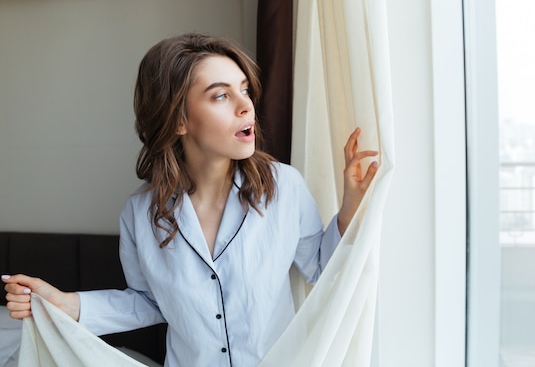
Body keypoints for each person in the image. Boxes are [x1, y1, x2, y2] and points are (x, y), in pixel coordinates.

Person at [2, 33, 378, 367]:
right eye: (221, 95)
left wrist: (352, 202)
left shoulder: (284, 187)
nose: (245, 106)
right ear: (179, 119)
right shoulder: (140, 213)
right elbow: (148, 302)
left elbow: (320, 269)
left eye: (244, 89)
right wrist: (67, 304)